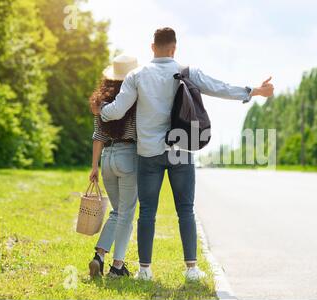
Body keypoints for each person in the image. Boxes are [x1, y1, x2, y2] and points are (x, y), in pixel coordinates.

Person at [96, 27, 274, 281]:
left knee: (147, 211)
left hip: (148, 153)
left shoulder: (137, 75)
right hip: (180, 150)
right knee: (185, 210)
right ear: (174, 48)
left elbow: (116, 111)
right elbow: (218, 87)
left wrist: (100, 108)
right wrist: (254, 90)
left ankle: (144, 270)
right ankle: (191, 269)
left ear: (152, 47)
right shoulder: (188, 72)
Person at [88, 55, 139, 278]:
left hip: (107, 158)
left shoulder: (101, 103)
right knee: (126, 213)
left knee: (118, 211)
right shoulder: (135, 100)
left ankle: (99, 255)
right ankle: (118, 267)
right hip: (128, 157)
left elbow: (98, 135)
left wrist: (94, 167)